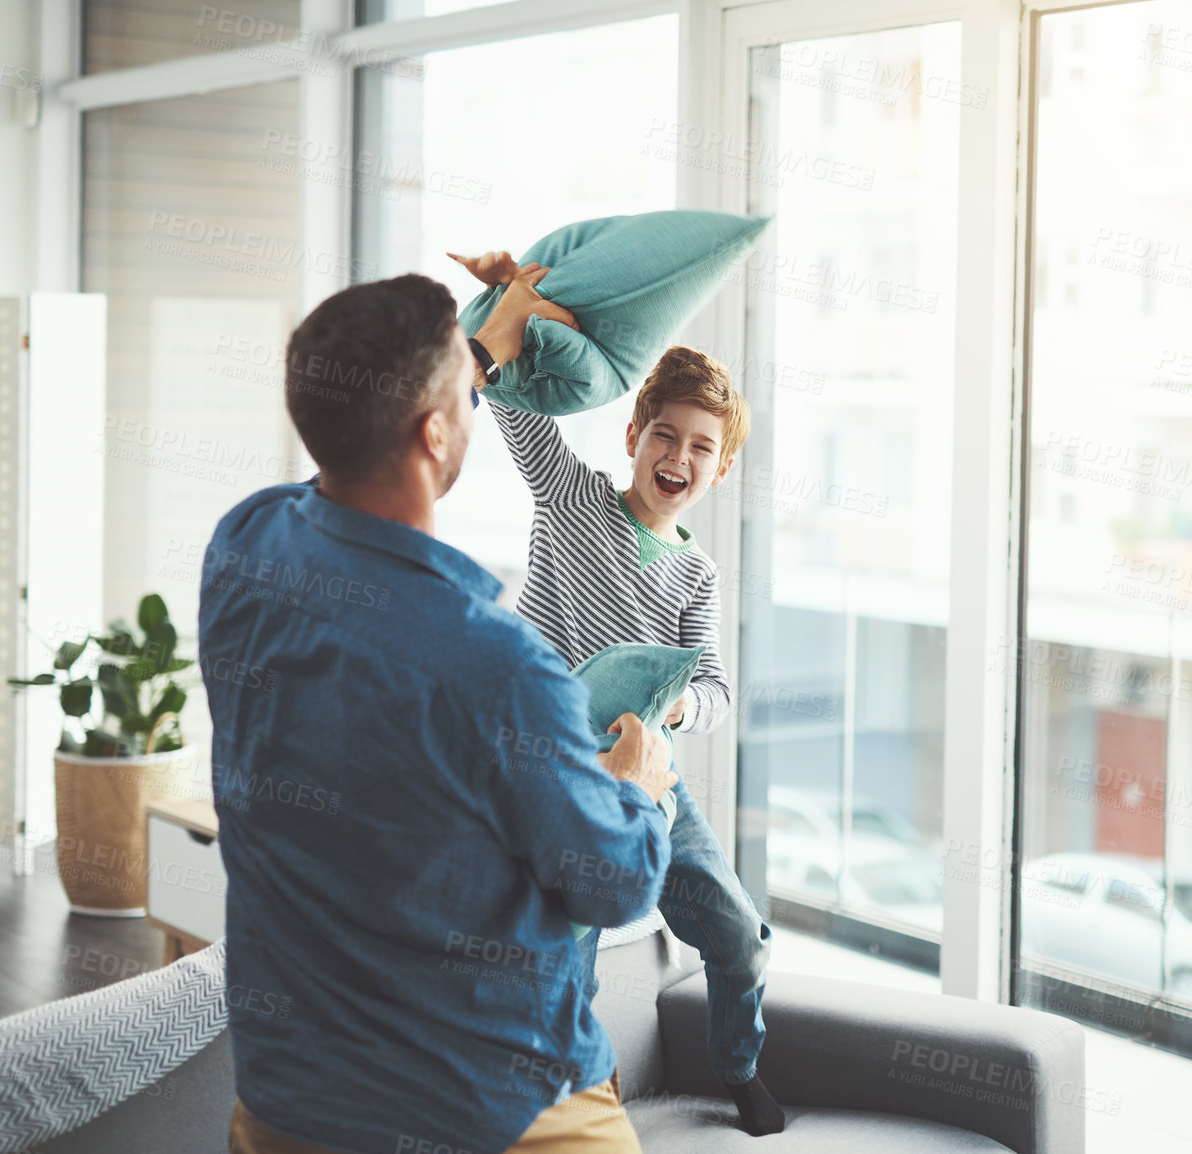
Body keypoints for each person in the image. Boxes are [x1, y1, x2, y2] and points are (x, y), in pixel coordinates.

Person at [198, 268, 679, 1154]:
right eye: (463, 393)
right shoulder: (498, 667)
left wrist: (477, 359)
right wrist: (637, 789)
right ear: (433, 432)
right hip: (488, 1116)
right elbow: (612, 886)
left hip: (284, 1111)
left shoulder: (241, 551)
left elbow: (356, 447)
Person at [449, 250, 785, 1137]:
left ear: (720, 471)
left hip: (655, 786)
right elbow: (517, 411)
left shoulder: (698, 577)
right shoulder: (573, 503)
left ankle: (738, 1067)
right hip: (559, 781)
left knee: (740, 936)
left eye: (702, 448)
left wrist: (672, 708)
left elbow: (712, 688)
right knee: (571, 969)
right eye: (666, 435)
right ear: (635, 433)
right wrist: (520, 306)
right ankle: (555, 1113)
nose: (680, 457)